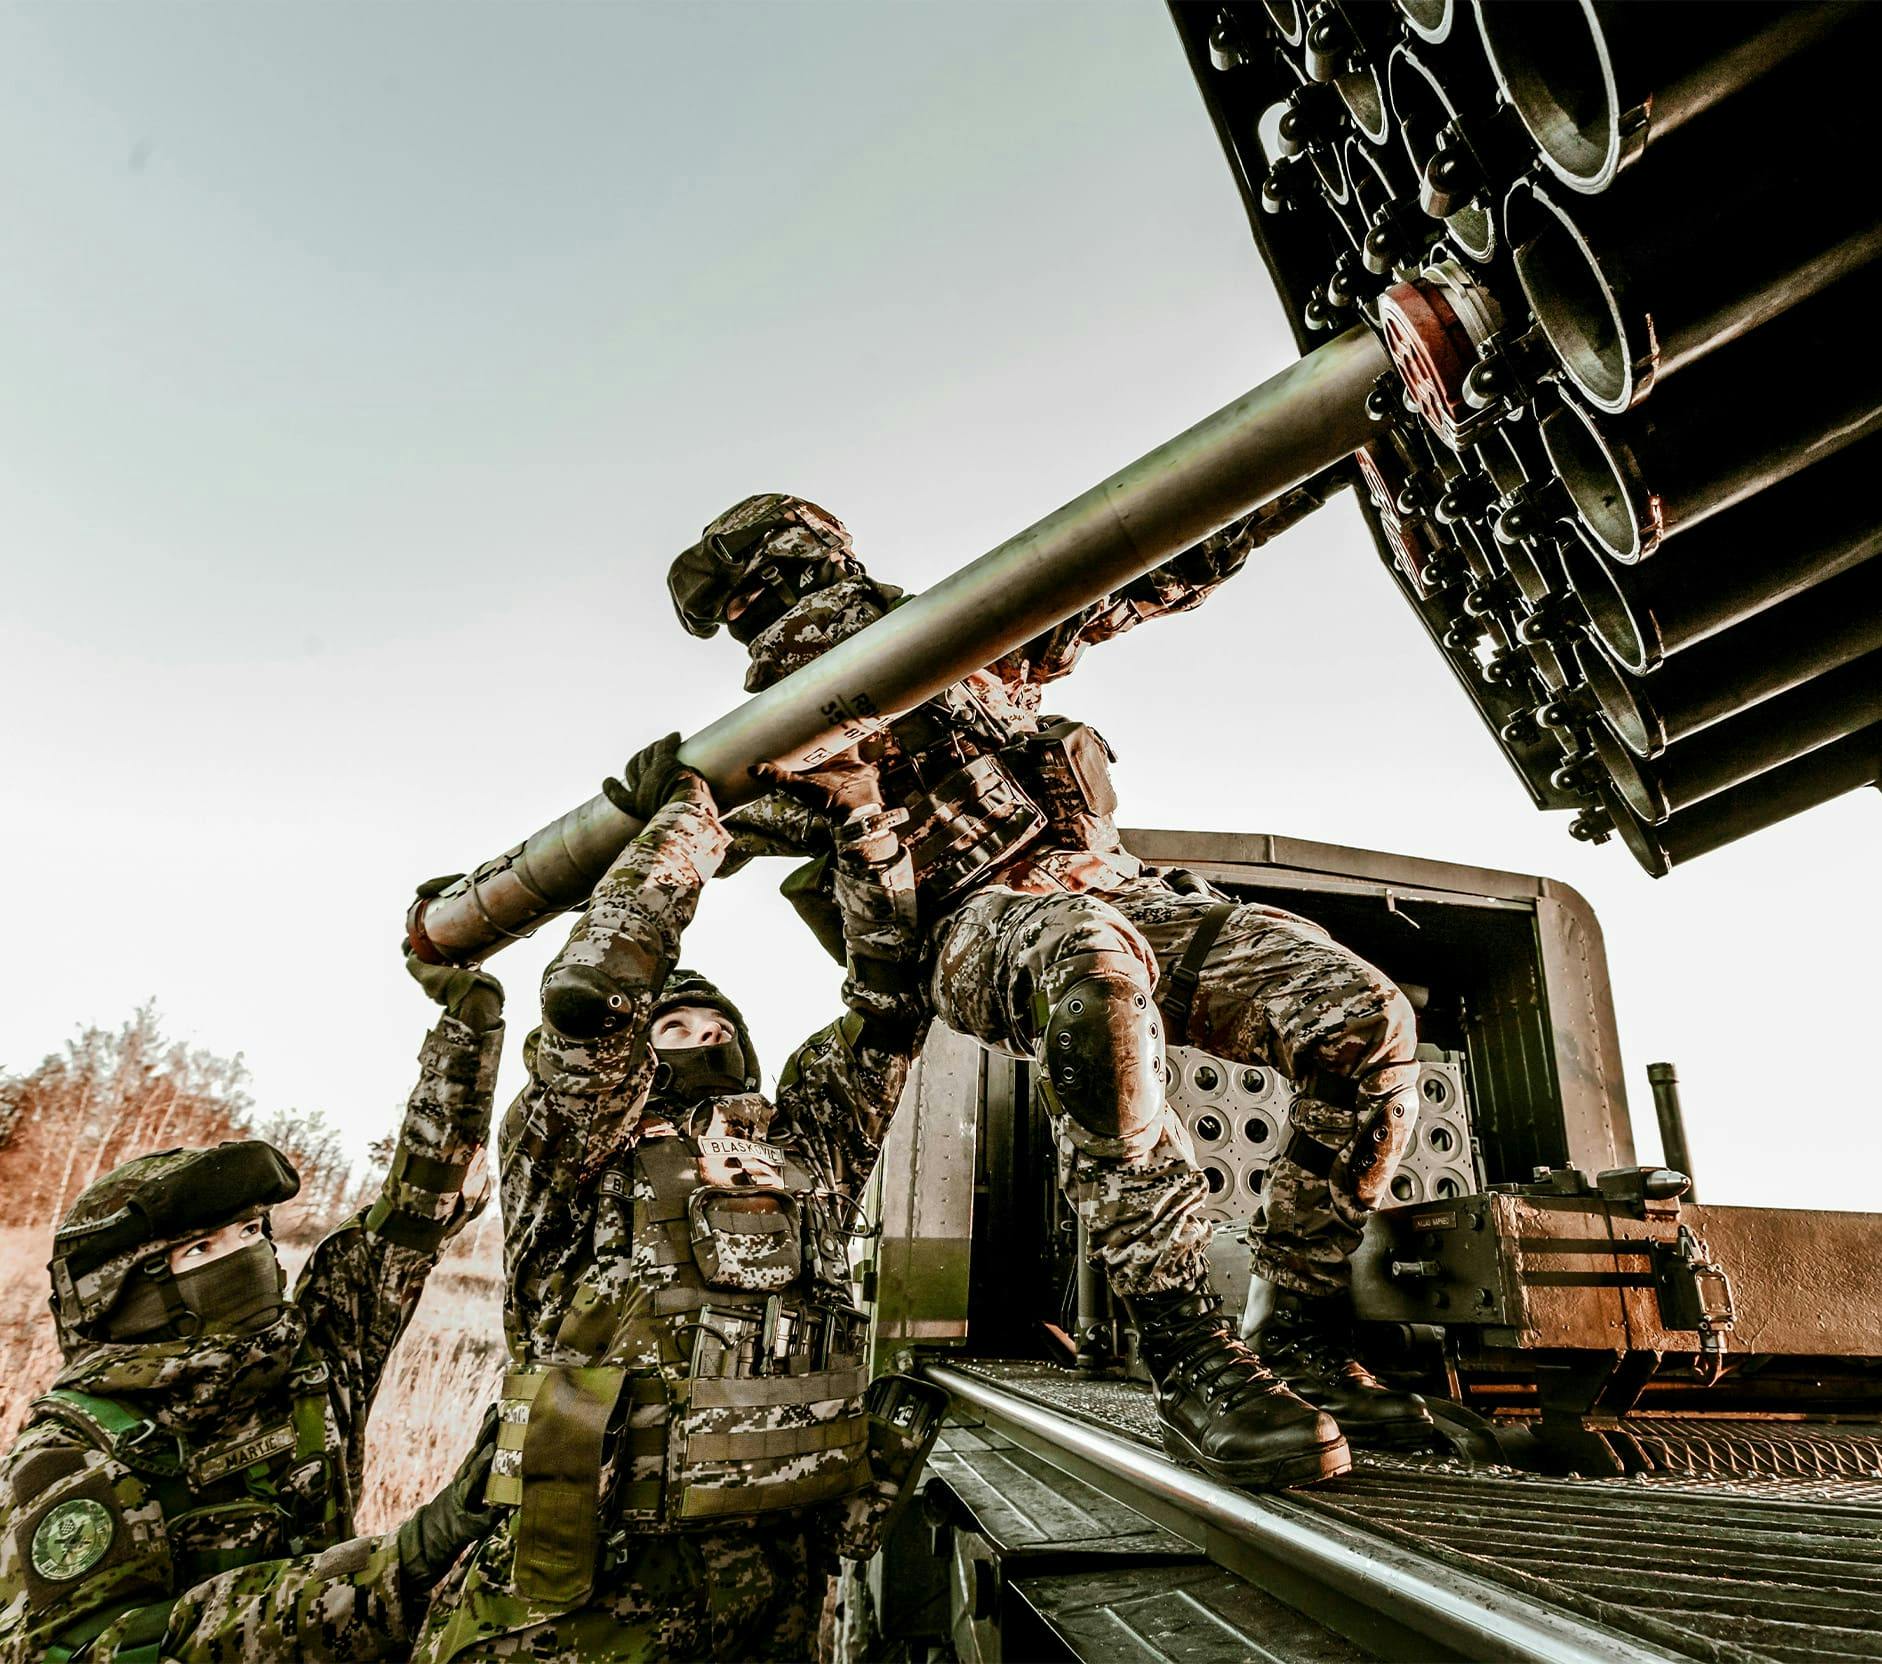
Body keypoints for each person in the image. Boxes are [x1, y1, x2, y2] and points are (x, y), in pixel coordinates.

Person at [666, 493, 1435, 1485]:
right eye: (771, 603)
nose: (806, 617)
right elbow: (665, 847)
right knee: (1089, 965)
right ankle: (1183, 1341)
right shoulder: (766, 745)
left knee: (1360, 1015)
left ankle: (1296, 1328)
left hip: (1116, 887)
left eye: (804, 579)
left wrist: (1312, 462)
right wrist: (675, 797)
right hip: (974, 925)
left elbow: (1163, 552)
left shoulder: (971, 637)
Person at [410, 734, 939, 1662]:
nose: (698, 1039)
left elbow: (891, 1004)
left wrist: (863, 834)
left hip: (777, 1583)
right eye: (672, 1025)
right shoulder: (574, 1140)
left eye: (714, 1026)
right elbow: (590, 996)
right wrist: (682, 830)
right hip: (587, 1589)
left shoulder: (806, 1140)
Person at [0, 948, 510, 1661]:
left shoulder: (307, 1360)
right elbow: (90, 1650)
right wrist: (400, 1565)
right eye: (203, 1249)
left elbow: (413, 1214)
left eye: (250, 1233)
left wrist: (469, 1030)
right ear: (129, 1294)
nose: (247, 1259)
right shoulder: (75, 1454)